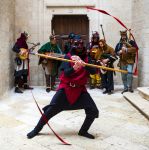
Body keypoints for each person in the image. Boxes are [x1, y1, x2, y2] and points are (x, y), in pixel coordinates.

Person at [27, 38, 99, 139]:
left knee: (93, 110)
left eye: (81, 45)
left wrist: (84, 64)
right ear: (73, 46)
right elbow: (65, 73)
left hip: (80, 90)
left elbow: (93, 71)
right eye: (77, 45)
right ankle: (36, 130)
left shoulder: (87, 58)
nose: (79, 47)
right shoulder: (68, 57)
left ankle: (83, 131)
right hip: (66, 88)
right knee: (50, 110)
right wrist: (74, 67)